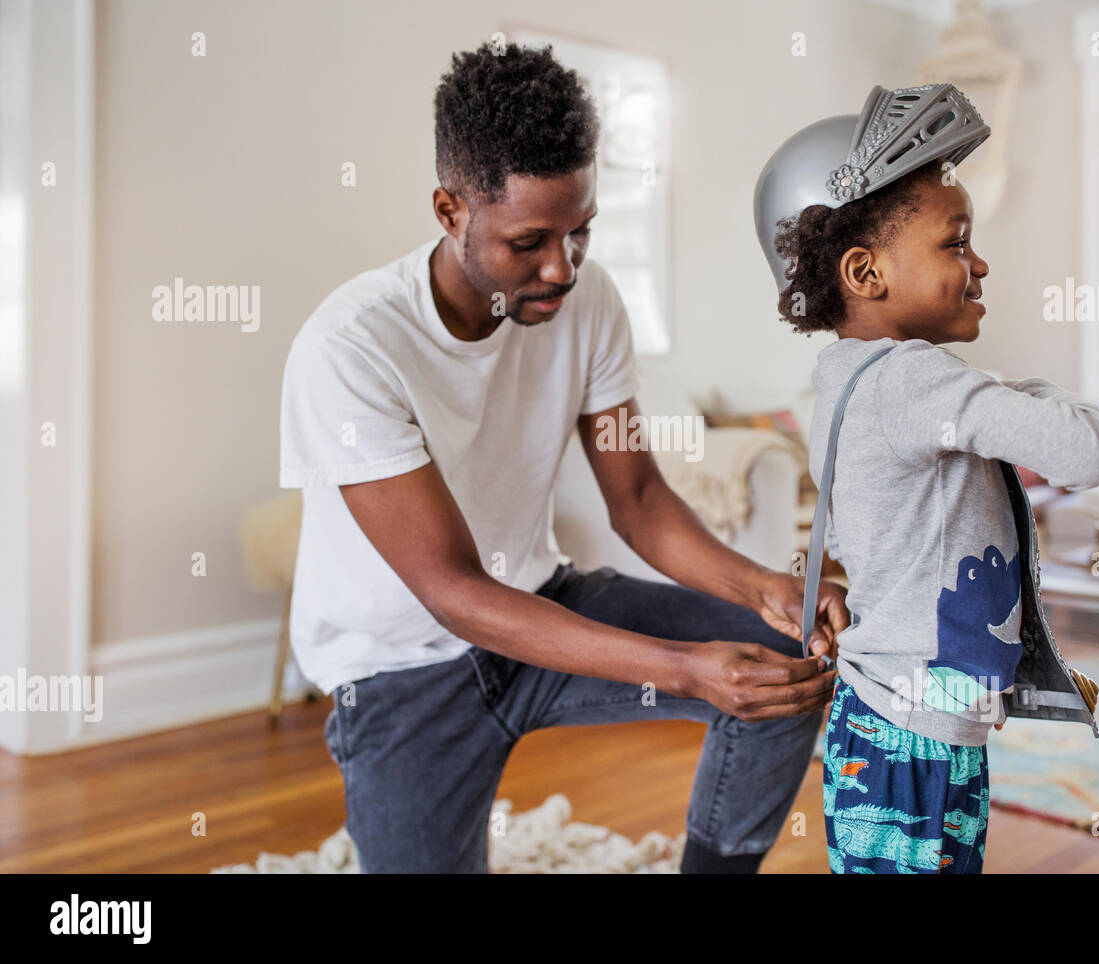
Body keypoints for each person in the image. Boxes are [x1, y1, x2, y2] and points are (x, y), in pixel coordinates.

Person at [278, 41, 849, 874]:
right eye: (530, 242)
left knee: (784, 665)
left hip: (544, 602)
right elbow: (456, 594)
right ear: (449, 210)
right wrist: (686, 669)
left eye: (581, 232)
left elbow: (641, 502)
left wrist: (762, 586)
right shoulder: (351, 347)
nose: (562, 267)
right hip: (401, 672)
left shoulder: (590, 302)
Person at [753, 84, 1099, 873]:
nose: (979, 262)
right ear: (866, 270)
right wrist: (1029, 391)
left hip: (901, 721)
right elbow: (1094, 453)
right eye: (956, 243)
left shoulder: (853, 378)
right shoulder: (913, 381)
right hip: (912, 739)